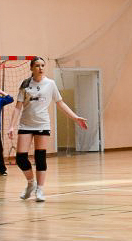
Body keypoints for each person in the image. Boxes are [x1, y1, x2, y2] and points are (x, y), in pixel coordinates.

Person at [7, 57, 88, 202]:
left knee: (40, 157)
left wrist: (75, 117)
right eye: (37, 65)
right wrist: (11, 126)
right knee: (20, 158)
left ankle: (40, 189)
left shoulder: (50, 84)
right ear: (31, 68)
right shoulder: (25, 84)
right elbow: (18, 107)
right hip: (26, 124)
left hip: (42, 124)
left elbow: (60, 103)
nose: (41, 68)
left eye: (43, 65)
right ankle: (31, 183)